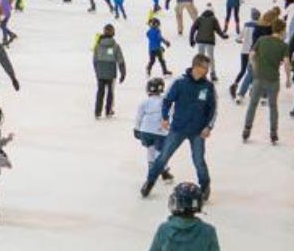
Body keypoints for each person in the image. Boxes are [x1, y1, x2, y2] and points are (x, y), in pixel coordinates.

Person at [140, 55, 217, 201]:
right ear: (196, 66)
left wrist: (208, 127)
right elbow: (167, 100)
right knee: (163, 156)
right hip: (178, 129)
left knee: (199, 160)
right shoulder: (180, 83)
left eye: (207, 68)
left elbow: (212, 109)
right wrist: (164, 118)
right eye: (204, 67)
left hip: (198, 131)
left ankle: (205, 186)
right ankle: (149, 182)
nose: (207, 71)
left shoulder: (208, 87)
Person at [242, 16, 290, 143]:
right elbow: (286, 63)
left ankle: (247, 129)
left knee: (253, 105)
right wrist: (289, 78)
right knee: (273, 106)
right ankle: (273, 132)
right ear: (282, 31)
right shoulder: (284, 46)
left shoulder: (262, 40)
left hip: (258, 78)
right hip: (273, 80)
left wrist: (255, 67)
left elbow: (251, 55)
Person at [135, 76, 174, 183]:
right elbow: (170, 114)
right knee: (160, 152)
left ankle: (152, 169)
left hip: (145, 131)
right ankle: (164, 172)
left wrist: (137, 129)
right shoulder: (165, 102)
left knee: (150, 149)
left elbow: (139, 116)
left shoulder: (144, 102)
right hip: (160, 131)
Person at [92, 23, 126, 119]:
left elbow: (94, 60)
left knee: (100, 92)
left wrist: (97, 70)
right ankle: (108, 111)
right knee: (110, 92)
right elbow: (120, 60)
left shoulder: (98, 45)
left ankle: (97, 112)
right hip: (111, 73)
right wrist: (123, 73)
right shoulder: (115, 46)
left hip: (100, 72)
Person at [188, 4, 228, 82]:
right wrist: (223, 36)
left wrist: (191, 40)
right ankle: (213, 74)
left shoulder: (199, 18)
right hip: (210, 41)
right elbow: (218, 30)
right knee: (211, 58)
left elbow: (193, 29)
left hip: (200, 41)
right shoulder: (214, 19)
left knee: (200, 58)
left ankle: (198, 73)